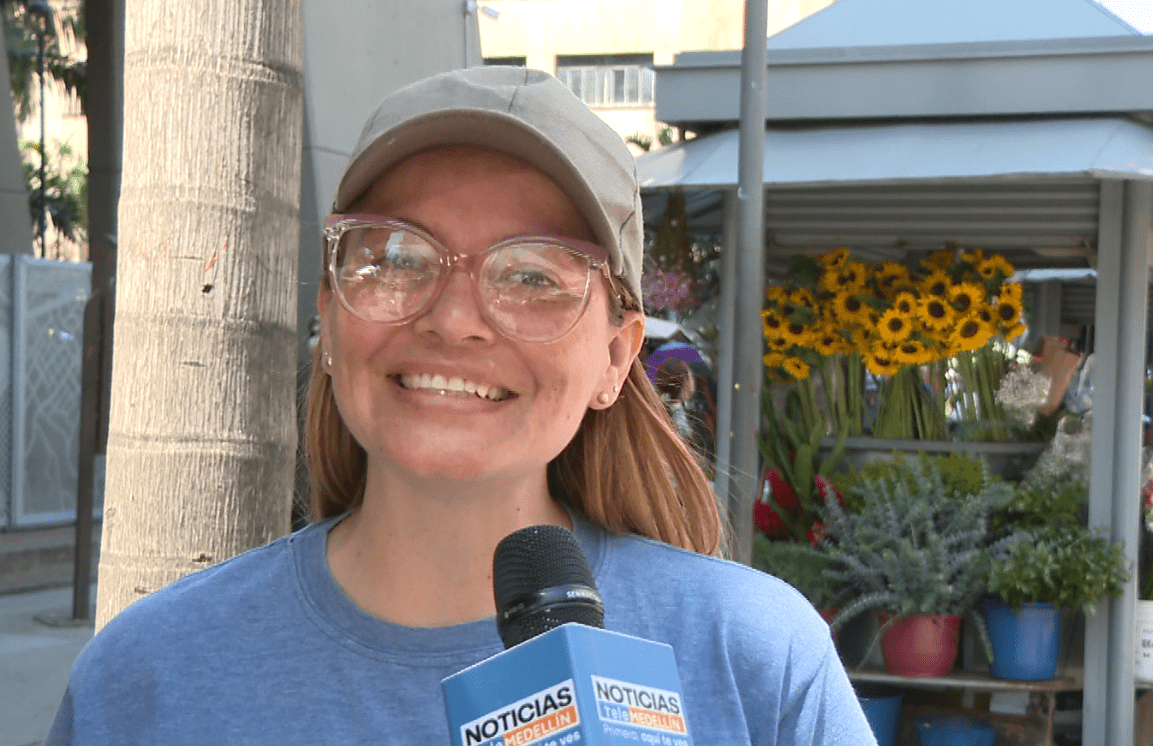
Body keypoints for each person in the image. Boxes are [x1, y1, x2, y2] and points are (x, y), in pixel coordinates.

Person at [45, 67, 875, 745]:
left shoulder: (753, 657)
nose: (451, 318)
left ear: (617, 359)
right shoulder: (151, 675)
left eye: (533, 275)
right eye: (398, 256)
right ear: (331, 319)